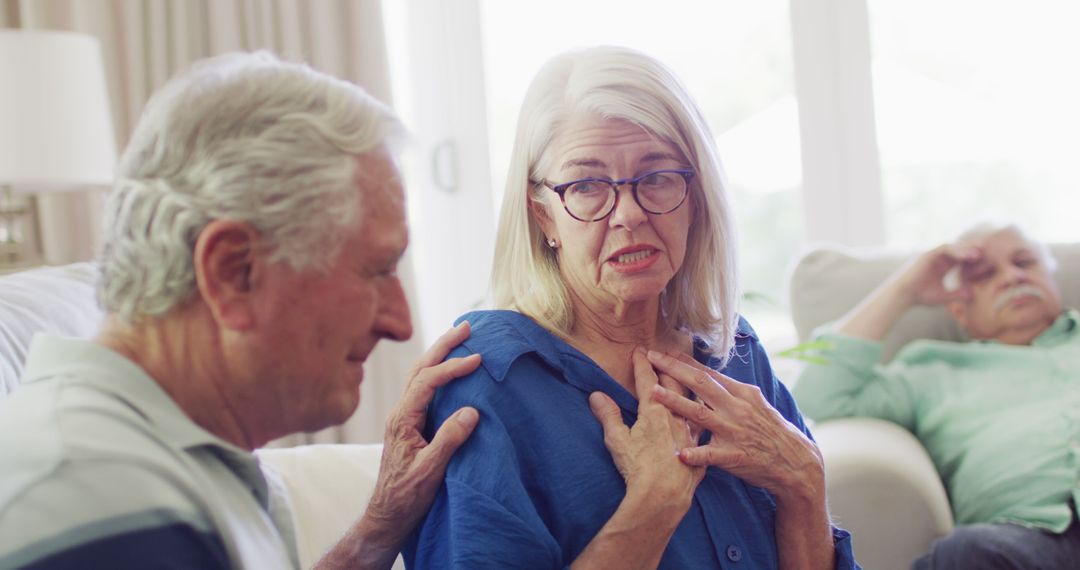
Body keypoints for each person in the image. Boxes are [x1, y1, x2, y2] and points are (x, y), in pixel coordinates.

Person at [0, 52, 482, 570]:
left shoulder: (151, 465)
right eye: (376, 271)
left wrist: (377, 532)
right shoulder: (99, 500)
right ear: (233, 271)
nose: (400, 322)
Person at [403, 46, 857, 569]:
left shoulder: (735, 350)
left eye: (657, 177)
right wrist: (653, 505)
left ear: (696, 197)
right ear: (543, 216)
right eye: (589, 186)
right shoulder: (488, 380)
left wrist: (805, 483)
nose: (629, 214)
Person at [792, 222, 1080, 569]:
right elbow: (815, 395)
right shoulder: (929, 370)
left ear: (1051, 277)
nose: (1012, 277)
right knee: (963, 552)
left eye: (1025, 263)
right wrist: (904, 291)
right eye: (986, 274)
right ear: (960, 311)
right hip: (1021, 541)